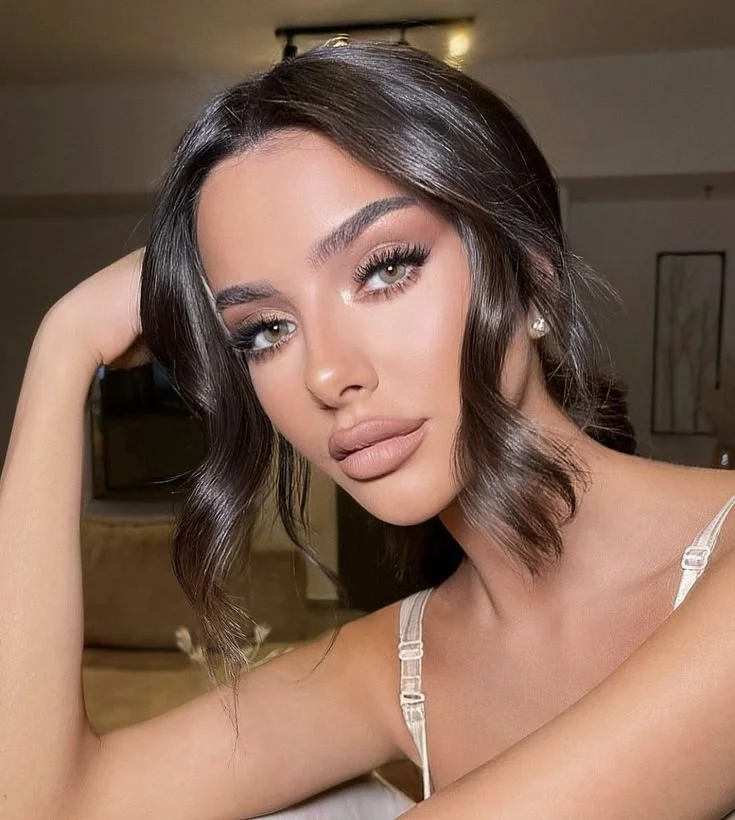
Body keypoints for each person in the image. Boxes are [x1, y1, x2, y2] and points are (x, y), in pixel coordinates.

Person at [1, 41, 734, 820]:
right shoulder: (394, 666)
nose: (324, 376)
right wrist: (65, 345)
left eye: (385, 268)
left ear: (531, 278)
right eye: (264, 330)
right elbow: (42, 803)